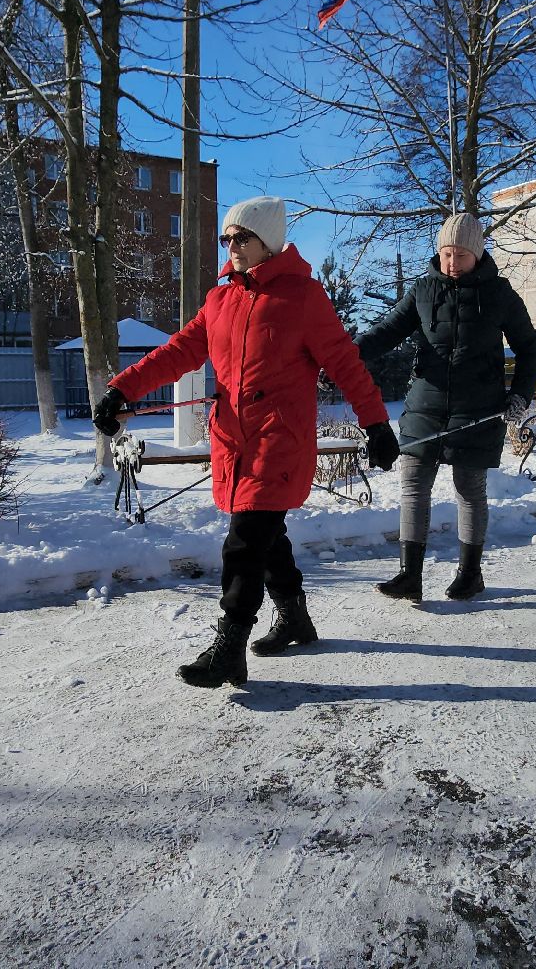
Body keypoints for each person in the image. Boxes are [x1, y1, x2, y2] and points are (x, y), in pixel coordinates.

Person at [91, 196, 399, 689]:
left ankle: (229, 646)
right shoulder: (220, 301)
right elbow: (179, 352)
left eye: (242, 237)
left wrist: (377, 424)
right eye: (227, 238)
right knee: (265, 536)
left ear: (268, 242)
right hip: (233, 438)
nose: (232, 246)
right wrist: (122, 388)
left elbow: (345, 363)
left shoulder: (303, 298)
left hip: (280, 439)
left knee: (245, 541)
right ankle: (295, 616)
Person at [356, 213, 536, 602]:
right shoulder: (423, 290)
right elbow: (387, 331)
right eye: (445, 254)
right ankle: (409, 575)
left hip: (480, 406)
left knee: (469, 490)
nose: (452, 263)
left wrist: (520, 395)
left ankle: (470, 574)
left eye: (460, 254)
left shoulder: (501, 294)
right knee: (413, 487)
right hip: (425, 405)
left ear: (477, 254)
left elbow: (531, 348)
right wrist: (342, 357)